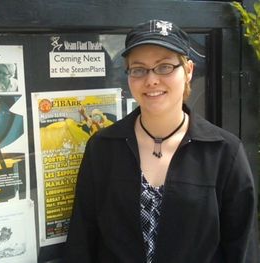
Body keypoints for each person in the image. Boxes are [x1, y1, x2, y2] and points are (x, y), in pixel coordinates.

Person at [64, 20, 257, 263]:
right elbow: (82, 239)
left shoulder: (224, 152)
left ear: (188, 71)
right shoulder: (103, 147)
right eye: (139, 69)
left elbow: (242, 248)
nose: (151, 80)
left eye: (164, 67)